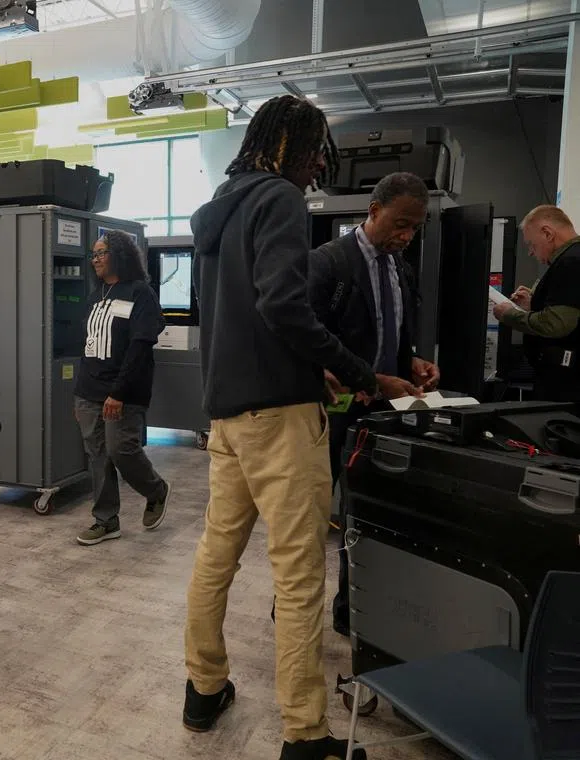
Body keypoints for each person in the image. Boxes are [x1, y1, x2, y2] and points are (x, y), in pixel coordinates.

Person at [184, 95, 376, 760]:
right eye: (316, 146)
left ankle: (203, 689)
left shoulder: (221, 206)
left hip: (227, 418)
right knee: (298, 575)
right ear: (288, 144)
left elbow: (244, 317)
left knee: (216, 557)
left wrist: (307, 370)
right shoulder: (281, 202)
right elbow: (283, 303)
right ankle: (305, 734)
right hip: (281, 423)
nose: (322, 160)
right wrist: (357, 371)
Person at [307, 171, 435, 636]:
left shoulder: (401, 267)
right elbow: (308, 343)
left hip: (385, 413)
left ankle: (350, 610)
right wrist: (360, 378)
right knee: (310, 515)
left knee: (365, 515)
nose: (406, 235)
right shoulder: (327, 264)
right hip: (333, 411)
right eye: (400, 224)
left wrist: (413, 360)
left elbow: (395, 331)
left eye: (415, 228)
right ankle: (295, 610)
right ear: (374, 211)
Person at [73, 230, 172, 546]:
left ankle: (155, 490)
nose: (96, 259)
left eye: (101, 252)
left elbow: (139, 348)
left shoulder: (139, 293)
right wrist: (81, 393)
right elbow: (89, 343)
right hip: (89, 390)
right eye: (93, 254)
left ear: (119, 254)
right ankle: (106, 520)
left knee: (121, 448)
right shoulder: (97, 294)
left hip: (124, 391)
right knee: (98, 455)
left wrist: (118, 392)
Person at [494, 205, 580, 401]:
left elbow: (555, 324)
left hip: (567, 386)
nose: (531, 253)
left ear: (547, 233)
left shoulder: (571, 262)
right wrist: (534, 305)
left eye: (531, 245)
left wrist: (509, 314)